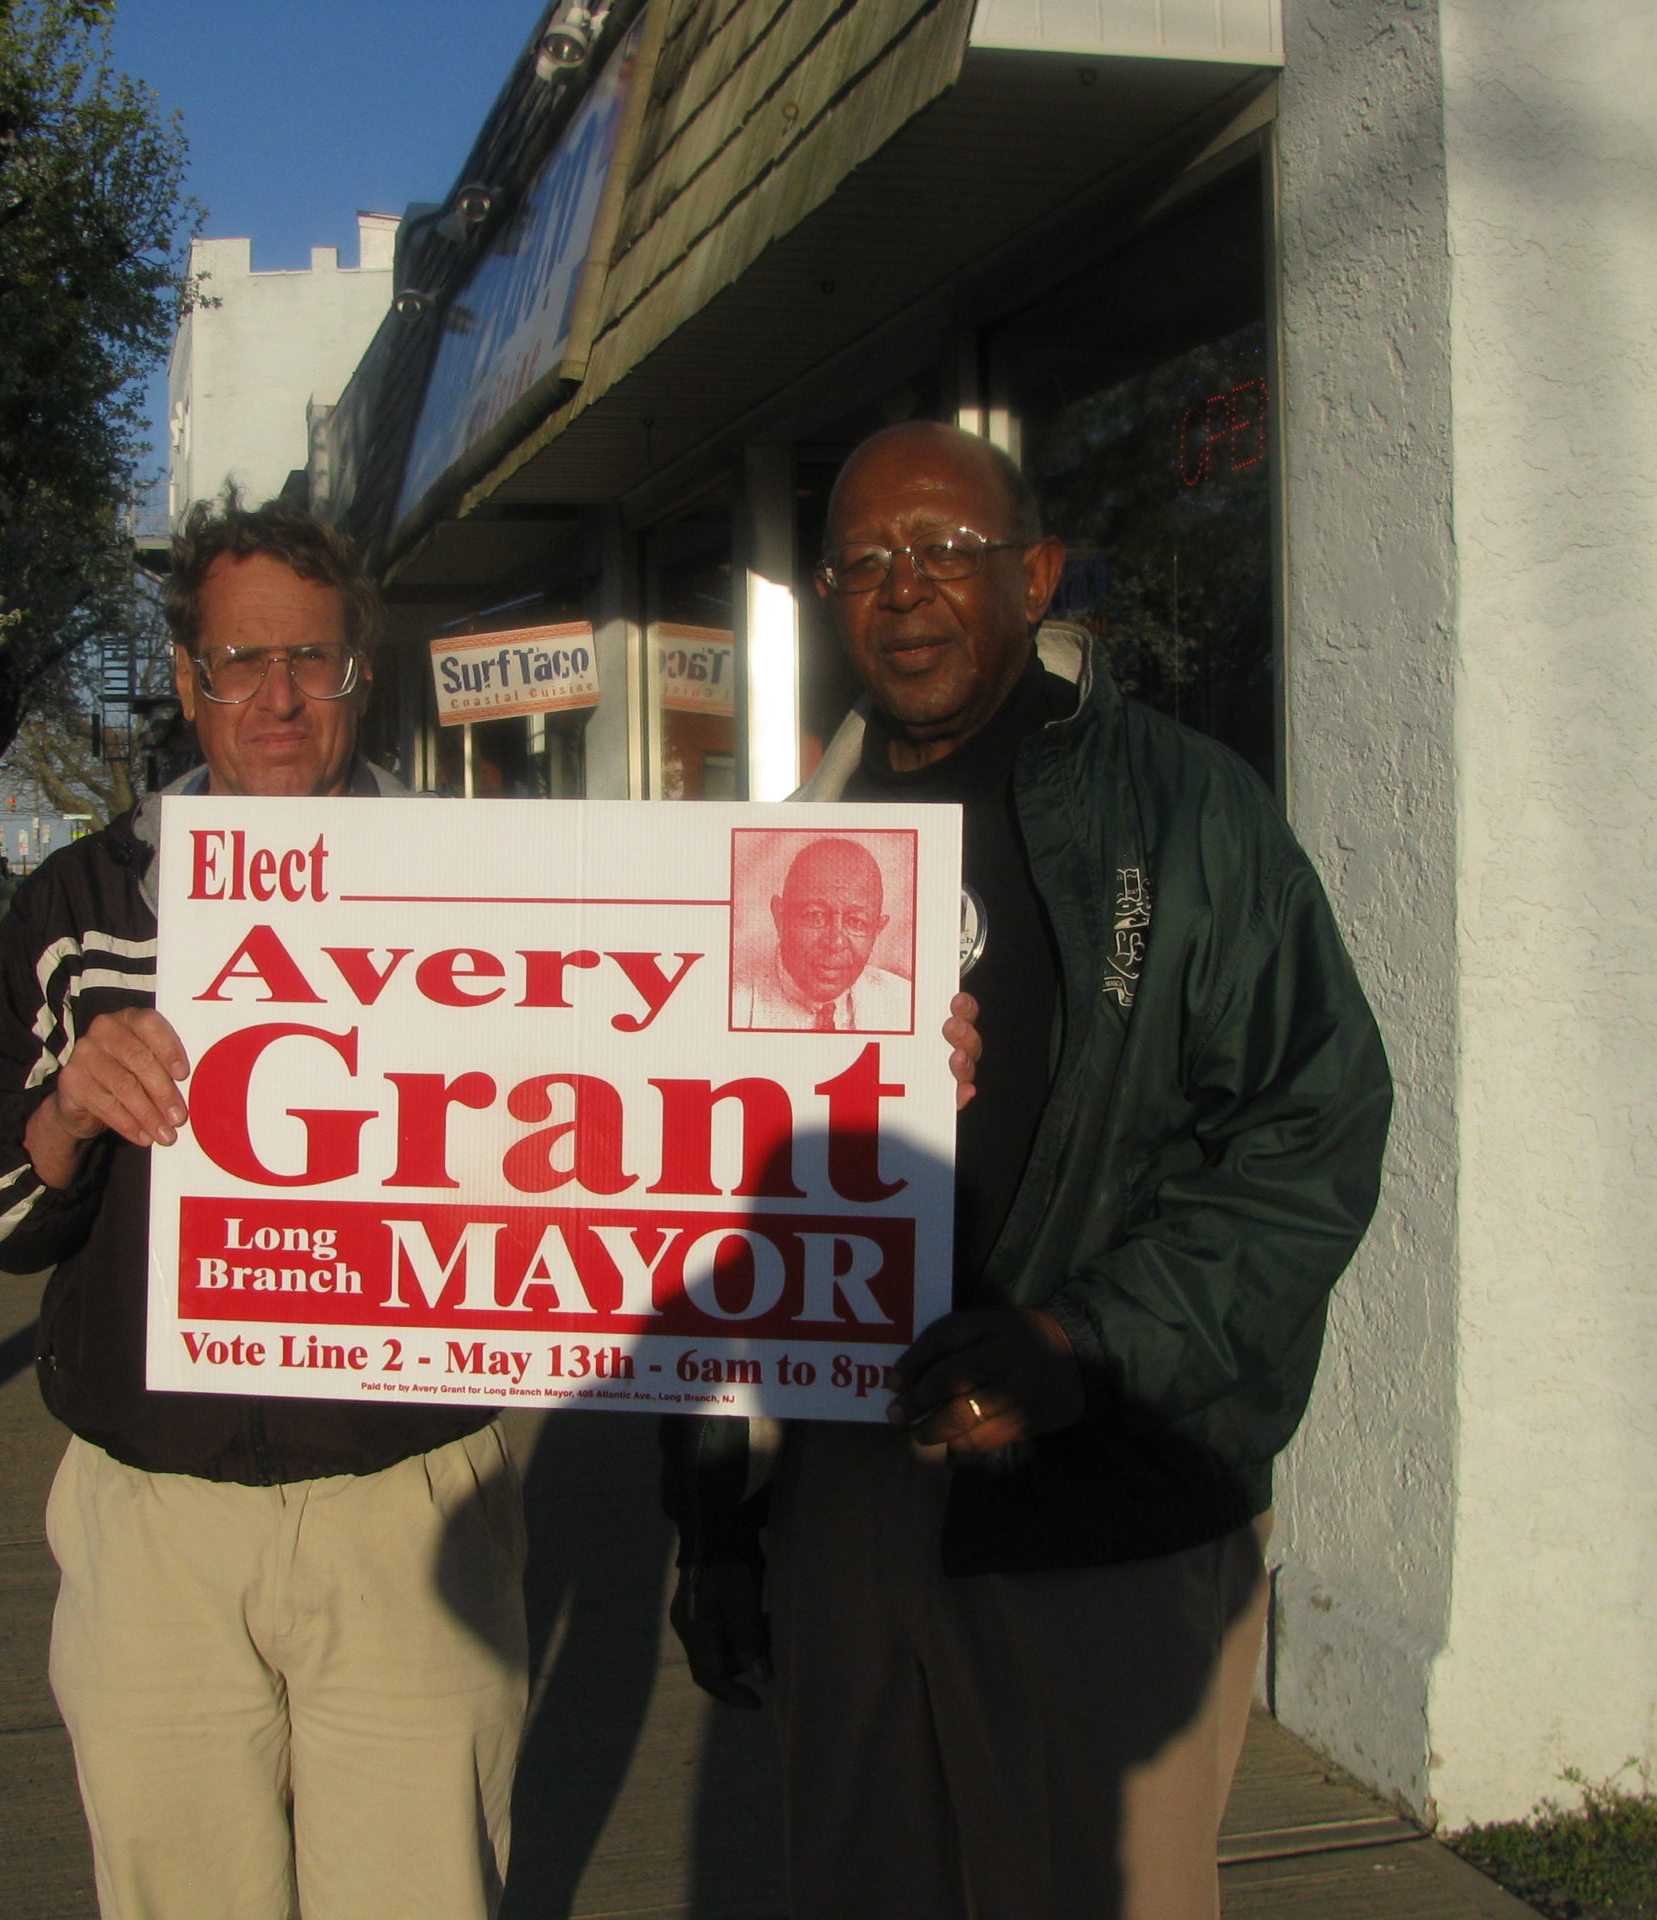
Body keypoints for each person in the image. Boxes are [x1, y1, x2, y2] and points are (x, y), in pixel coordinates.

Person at [663, 422, 1393, 1920]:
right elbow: (703, 1200)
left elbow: (1309, 1131)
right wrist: (718, 1524)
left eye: (945, 551)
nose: (905, 590)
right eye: (864, 560)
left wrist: (1080, 1346)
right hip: (844, 1508)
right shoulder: (778, 853)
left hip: (1097, 1506)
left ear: (1037, 573)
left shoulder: (1188, 818)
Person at [0, 500, 528, 1920]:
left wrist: (867, 1061)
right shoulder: (81, 904)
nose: (275, 696)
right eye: (240, 660)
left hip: (408, 1506)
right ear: (188, 677)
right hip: (156, 1528)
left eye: (310, 661)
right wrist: (69, 1112)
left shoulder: (490, 892)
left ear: (358, 676)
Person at [731, 834, 914, 1031]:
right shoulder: (730, 1004)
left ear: (877, 930)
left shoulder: (907, 1005)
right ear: (780, 917)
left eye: (856, 922)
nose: (835, 943)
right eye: (815, 916)